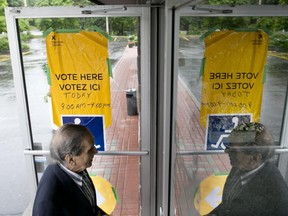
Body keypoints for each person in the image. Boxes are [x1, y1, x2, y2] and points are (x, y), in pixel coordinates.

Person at [206, 122, 288, 216]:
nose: (226, 151)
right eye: (228, 146)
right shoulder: (241, 167)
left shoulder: (276, 195)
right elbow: (228, 205)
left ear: (254, 158)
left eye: (234, 150)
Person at [32, 124, 106, 216]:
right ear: (71, 159)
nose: (95, 151)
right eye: (90, 150)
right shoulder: (48, 201)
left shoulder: (77, 168)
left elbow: (89, 205)